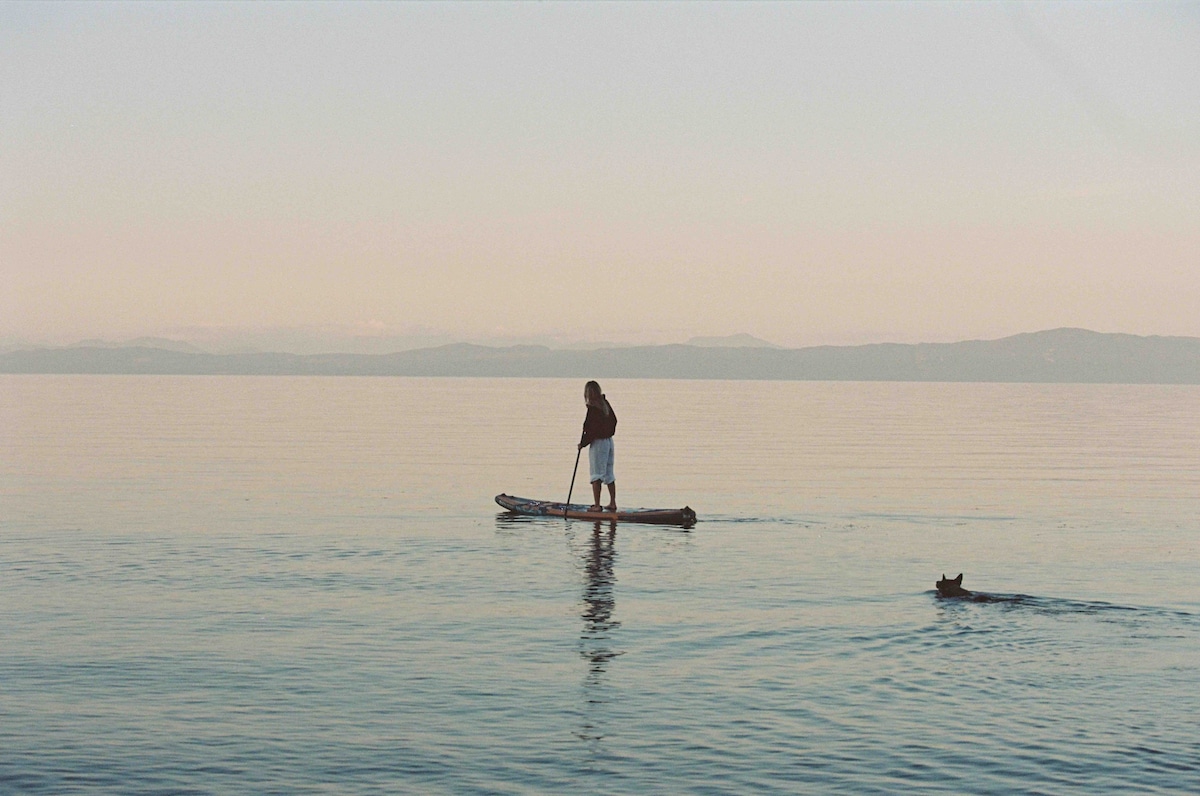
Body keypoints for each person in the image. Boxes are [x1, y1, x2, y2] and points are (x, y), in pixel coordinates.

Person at [578, 380, 617, 512]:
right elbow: (614, 421)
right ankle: (612, 502)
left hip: (599, 443)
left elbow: (591, 430)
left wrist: (582, 444)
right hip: (609, 442)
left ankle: (597, 505)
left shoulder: (593, 408)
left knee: (596, 474)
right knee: (608, 472)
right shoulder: (604, 404)